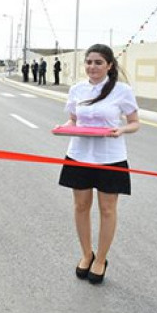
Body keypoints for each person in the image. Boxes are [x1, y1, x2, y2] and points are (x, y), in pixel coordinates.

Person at [56, 43, 140, 285]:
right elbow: (73, 119)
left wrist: (121, 129)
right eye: (89, 62)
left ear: (109, 65)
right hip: (79, 155)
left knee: (107, 209)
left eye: (98, 62)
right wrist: (63, 127)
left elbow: (135, 122)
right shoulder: (77, 89)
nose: (92, 67)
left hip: (110, 157)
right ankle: (86, 254)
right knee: (81, 206)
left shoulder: (122, 91)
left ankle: (101, 259)